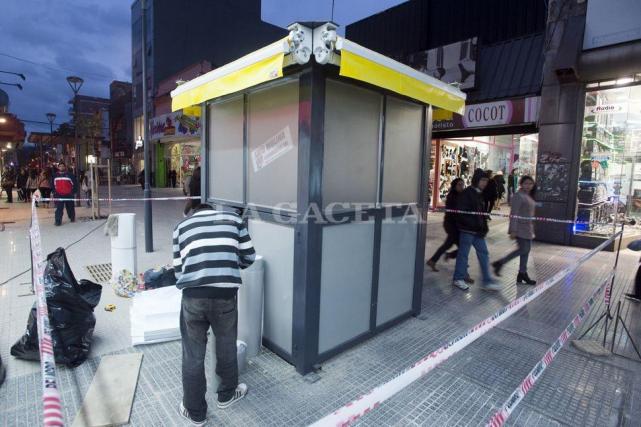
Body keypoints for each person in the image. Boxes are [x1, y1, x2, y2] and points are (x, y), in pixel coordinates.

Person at [173, 203, 256, 425]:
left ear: (193, 212)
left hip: (193, 298)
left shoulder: (181, 227)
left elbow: (178, 271)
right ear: (213, 209)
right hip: (225, 296)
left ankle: (195, 412)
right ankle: (227, 395)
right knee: (226, 345)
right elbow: (249, 257)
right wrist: (228, 265)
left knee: (193, 354)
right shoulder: (234, 220)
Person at [452, 168, 501, 291]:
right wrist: (472, 224)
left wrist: (483, 227)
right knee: (463, 254)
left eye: (486, 180)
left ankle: (487, 280)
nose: (484, 183)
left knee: (483, 253)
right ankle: (458, 278)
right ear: (476, 180)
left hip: (477, 231)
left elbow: (481, 214)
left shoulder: (479, 193)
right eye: (482, 180)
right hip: (467, 230)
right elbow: (461, 212)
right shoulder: (467, 193)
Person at [492, 176, 537, 285]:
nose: (528, 186)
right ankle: (500, 263)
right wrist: (513, 230)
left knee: (526, 251)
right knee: (523, 249)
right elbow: (514, 213)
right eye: (526, 183)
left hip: (528, 228)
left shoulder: (528, 195)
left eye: (530, 183)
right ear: (521, 184)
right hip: (520, 228)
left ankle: (522, 273)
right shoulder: (518, 196)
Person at [426, 178, 473, 284]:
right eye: (459, 185)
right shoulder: (452, 196)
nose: (462, 187)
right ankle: (464, 273)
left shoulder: (461, 196)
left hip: (457, 226)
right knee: (463, 248)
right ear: (454, 185)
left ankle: (433, 260)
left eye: (463, 185)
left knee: (449, 245)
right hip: (452, 226)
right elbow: (455, 213)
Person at [51, 162, 77, 226]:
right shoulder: (55, 175)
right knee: (59, 208)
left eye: (63, 166)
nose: (61, 167)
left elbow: (75, 184)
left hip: (69, 194)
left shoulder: (70, 175)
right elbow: (52, 185)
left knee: (70, 207)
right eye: (60, 166)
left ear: (65, 167)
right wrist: (54, 192)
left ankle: (72, 217)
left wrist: (73, 192)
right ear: (58, 167)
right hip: (59, 195)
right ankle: (58, 221)